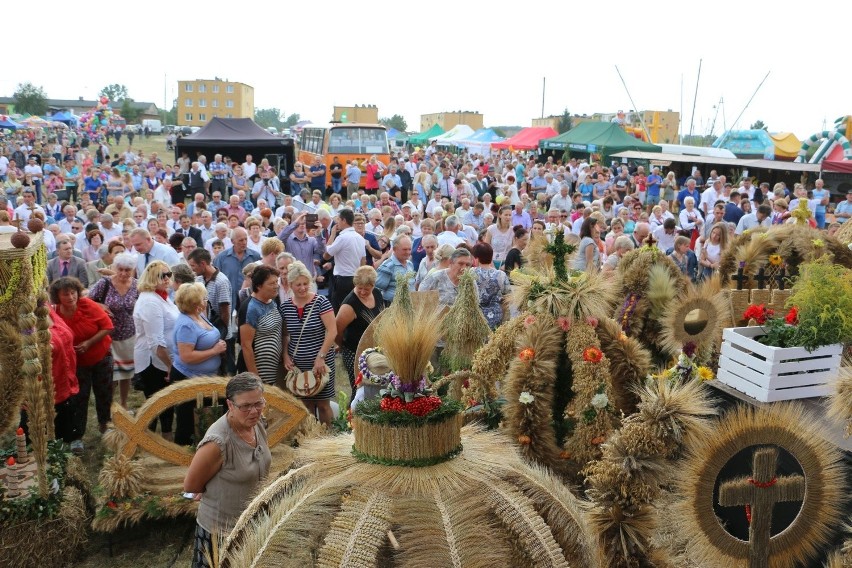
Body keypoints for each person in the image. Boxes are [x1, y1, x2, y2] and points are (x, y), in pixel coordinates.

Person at [184, 373, 271, 568]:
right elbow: (191, 486)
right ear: (230, 405)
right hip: (221, 534)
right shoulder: (218, 442)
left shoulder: (257, 423)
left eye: (258, 403)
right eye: (245, 406)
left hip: (251, 527)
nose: (254, 411)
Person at [50, 277, 114, 454]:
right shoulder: (55, 313)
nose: (71, 297)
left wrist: (89, 342)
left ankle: (105, 425)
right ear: (57, 296)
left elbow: (107, 326)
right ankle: (77, 436)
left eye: (73, 293)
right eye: (66, 294)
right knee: (79, 398)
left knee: (104, 393)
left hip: (101, 356)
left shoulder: (88, 305)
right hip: (77, 363)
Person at [172, 283, 229, 446]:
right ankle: (183, 456)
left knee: (208, 417)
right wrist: (214, 351)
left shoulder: (198, 314)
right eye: (204, 298)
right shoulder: (186, 324)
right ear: (196, 303)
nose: (206, 300)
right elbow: (186, 356)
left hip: (206, 378)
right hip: (188, 378)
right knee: (188, 422)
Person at [281, 261, 337, 425]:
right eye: (298, 284)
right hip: (298, 364)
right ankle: (312, 440)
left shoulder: (321, 302)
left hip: (320, 362)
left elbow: (332, 331)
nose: (303, 288)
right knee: (305, 405)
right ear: (290, 284)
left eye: (306, 283)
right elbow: (285, 335)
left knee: (323, 404)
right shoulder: (285, 307)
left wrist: (321, 357)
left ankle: (328, 439)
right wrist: (285, 355)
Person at [133, 261, 180, 440]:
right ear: (152, 278)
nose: (167, 278)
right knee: (155, 404)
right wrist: (170, 366)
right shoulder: (150, 302)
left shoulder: (162, 296)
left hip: (164, 358)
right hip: (154, 361)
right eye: (162, 275)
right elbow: (155, 342)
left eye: (169, 274)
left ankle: (164, 440)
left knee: (166, 403)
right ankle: (147, 443)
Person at [88, 252, 138, 410]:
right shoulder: (105, 283)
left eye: (127, 270)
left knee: (126, 373)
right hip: (107, 335)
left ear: (133, 270)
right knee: (110, 374)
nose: (123, 273)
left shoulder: (137, 285)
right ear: (115, 268)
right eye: (120, 269)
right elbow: (88, 301)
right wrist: (100, 306)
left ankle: (123, 403)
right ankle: (109, 406)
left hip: (129, 335)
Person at [335, 266, 383, 402]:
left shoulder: (378, 294)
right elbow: (337, 330)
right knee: (359, 389)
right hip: (354, 353)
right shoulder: (349, 305)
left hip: (375, 351)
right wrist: (341, 345)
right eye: (359, 287)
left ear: (373, 285)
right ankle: (354, 418)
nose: (362, 292)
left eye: (366, 289)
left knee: (376, 387)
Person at [237, 265, 286, 385]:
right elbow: (246, 345)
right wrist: (255, 378)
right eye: (271, 283)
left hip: (273, 368)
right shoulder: (250, 308)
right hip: (258, 372)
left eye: (276, 282)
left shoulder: (272, 300)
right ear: (258, 286)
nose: (276, 286)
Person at [49, 306, 79, 445]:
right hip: (42, 398)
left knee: (64, 442)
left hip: (66, 388)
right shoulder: (19, 319)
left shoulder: (45, 306)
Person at [471, 242, 511, 330]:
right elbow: (508, 297)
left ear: (476, 259)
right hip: (496, 317)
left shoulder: (470, 273)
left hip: (474, 318)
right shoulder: (501, 274)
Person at [374, 234, 414, 305]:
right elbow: (376, 291)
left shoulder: (410, 264)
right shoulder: (388, 266)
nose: (408, 252)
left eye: (409, 249)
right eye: (404, 249)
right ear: (395, 249)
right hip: (392, 308)